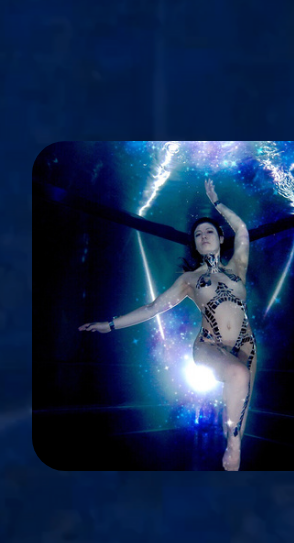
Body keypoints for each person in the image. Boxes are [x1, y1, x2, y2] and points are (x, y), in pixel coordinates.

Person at [79, 179, 258, 471]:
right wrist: (109, 325)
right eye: (197, 234)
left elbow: (242, 230)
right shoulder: (189, 279)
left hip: (246, 345)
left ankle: (232, 459)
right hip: (210, 345)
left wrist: (217, 203)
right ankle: (233, 446)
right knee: (237, 378)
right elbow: (153, 308)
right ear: (195, 243)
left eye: (208, 231)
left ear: (219, 237)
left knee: (239, 411)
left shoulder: (237, 267)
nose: (203, 236)